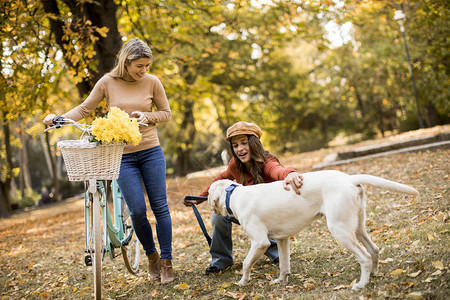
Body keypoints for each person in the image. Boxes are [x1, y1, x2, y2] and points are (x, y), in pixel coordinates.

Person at [44, 38, 175, 284]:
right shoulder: (107, 82)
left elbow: (166, 113)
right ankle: (152, 256)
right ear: (126, 62)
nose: (143, 70)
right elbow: (84, 109)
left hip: (150, 152)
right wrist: (59, 119)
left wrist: (146, 116)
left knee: (160, 207)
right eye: (139, 65)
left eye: (147, 65)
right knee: (137, 210)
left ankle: (167, 261)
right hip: (121, 157)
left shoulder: (153, 82)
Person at [184, 121, 303, 275]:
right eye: (235, 145)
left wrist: (289, 173)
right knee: (219, 216)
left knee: (263, 229)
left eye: (244, 143)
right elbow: (220, 180)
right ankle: (221, 261)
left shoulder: (266, 161)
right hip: (251, 213)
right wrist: (199, 198)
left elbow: (277, 170)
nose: (240, 149)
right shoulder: (235, 164)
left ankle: (275, 251)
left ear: (253, 143)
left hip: (271, 215)